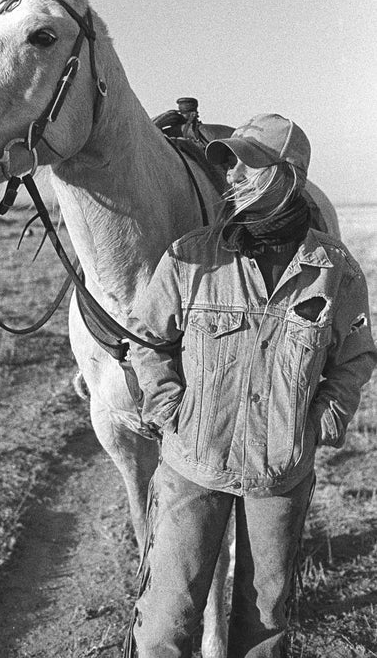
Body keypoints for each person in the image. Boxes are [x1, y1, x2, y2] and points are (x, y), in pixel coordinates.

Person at [123, 114, 376, 658]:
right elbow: (145, 340)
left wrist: (322, 419)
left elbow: (355, 356)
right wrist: (171, 410)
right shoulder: (191, 257)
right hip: (192, 465)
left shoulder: (333, 270)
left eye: (248, 163)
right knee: (166, 626)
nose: (231, 175)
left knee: (265, 628)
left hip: (279, 474)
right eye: (228, 162)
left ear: (290, 176)